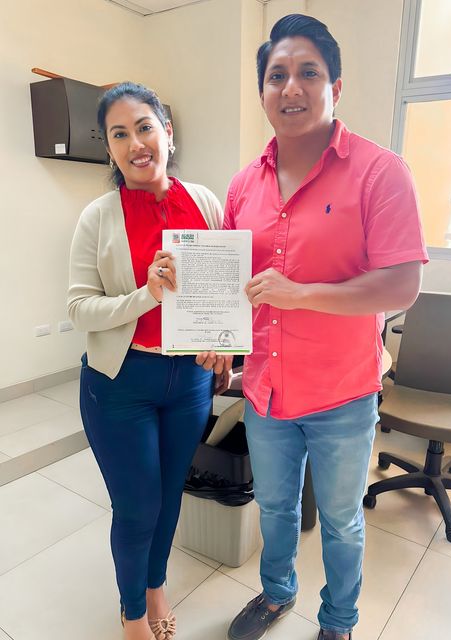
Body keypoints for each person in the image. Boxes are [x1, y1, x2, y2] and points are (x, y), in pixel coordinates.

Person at [218, 14, 428, 640]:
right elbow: (230, 282)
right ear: (262, 92)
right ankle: (277, 593)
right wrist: (204, 324)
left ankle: (338, 621)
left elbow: (401, 285)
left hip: (342, 392)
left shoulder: (380, 171)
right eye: (276, 75)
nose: (291, 87)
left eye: (308, 72)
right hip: (266, 390)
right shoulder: (243, 184)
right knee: (276, 508)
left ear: (336, 86)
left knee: (340, 521)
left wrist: (301, 294)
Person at [68, 81, 230, 640]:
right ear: (109, 148)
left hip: (188, 383)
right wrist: (146, 295)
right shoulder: (97, 217)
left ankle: (156, 583)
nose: (136, 143)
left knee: (167, 499)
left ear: (167, 132)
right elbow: (79, 308)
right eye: (119, 134)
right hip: (121, 383)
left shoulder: (204, 202)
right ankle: (133, 611)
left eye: (144, 127)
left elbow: (221, 291)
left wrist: (223, 343)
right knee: (137, 507)